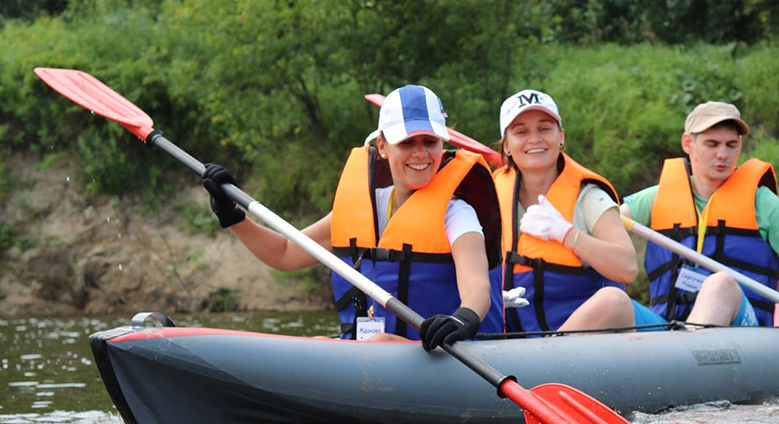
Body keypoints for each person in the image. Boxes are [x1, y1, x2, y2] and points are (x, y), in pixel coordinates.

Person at [201, 84, 501, 350]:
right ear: (382, 147)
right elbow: (285, 253)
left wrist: (462, 319)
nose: (420, 153)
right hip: (372, 350)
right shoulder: (365, 210)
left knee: (379, 344)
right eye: (407, 143)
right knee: (318, 345)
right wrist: (233, 217)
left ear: (443, 144)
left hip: (437, 351)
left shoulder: (457, 213)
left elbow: (477, 286)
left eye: (430, 142)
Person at [620, 100, 779, 341]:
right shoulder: (655, 198)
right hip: (666, 324)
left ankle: (683, 359)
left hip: (745, 332)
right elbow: (603, 234)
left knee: (721, 284)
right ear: (688, 144)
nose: (723, 154)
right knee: (611, 299)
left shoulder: (763, 204)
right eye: (712, 144)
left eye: (731, 145)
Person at [491, 89, 638, 334]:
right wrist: (492, 295)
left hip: (582, 345)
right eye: (521, 132)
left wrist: (568, 235)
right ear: (506, 146)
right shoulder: (492, 195)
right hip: (511, 341)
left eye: (544, 128)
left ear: (561, 137)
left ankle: (545, 360)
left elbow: (628, 268)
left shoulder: (589, 197)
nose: (534, 139)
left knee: (614, 300)